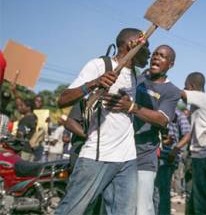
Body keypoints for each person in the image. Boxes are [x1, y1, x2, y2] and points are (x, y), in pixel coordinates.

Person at [54, 28, 150, 215]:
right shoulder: (100, 65)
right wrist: (93, 83)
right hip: (98, 156)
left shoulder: (135, 76)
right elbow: (62, 100)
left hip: (127, 158)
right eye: (146, 47)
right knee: (72, 210)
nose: (149, 53)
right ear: (132, 45)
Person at [104, 44, 180, 215]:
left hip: (144, 155)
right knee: (116, 204)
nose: (155, 57)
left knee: (142, 207)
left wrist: (132, 107)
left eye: (162, 56)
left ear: (171, 64)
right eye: (154, 54)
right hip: (119, 151)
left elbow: (162, 119)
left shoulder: (171, 91)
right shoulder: (136, 79)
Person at [180, 72, 206, 215]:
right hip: (201, 157)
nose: (184, 89)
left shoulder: (201, 97)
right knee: (195, 200)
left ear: (192, 86)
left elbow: (180, 94)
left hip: (205, 156)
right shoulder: (200, 105)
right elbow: (193, 134)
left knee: (203, 202)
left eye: (185, 86)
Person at [154, 109, 191, 215]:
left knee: (161, 191)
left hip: (166, 158)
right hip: (153, 156)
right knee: (155, 191)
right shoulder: (156, 110)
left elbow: (187, 134)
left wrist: (175, 150)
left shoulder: (178, 114)